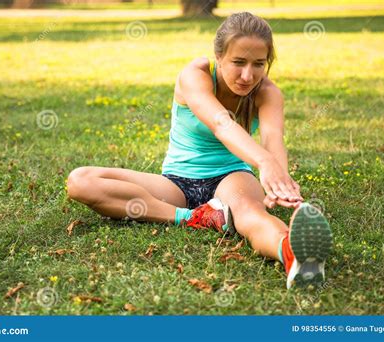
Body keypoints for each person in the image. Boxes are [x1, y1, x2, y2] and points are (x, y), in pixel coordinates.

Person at [67, 12, 332, 289]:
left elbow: (273, 138)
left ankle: (293, 254)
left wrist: (280, 182)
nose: (247, 75)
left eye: (258, 64)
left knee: (250, 213)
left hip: (231, 178)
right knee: (80, 181)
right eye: (238, 62)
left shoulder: (268, 92)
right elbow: (220, 122)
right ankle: (197, 218)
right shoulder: (194, 75)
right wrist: (264, 162)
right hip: (176, 184)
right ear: (219, 57)